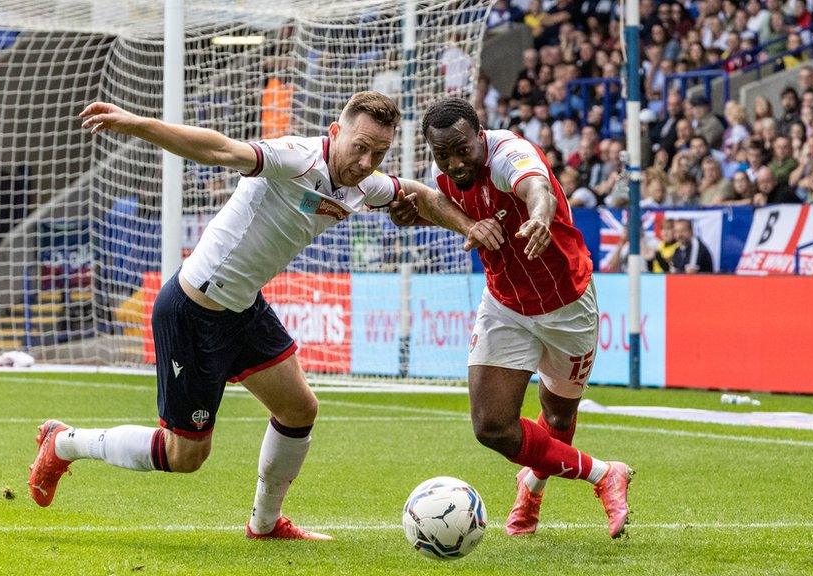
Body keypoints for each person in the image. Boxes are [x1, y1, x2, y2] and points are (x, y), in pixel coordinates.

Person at [29, 91, 501, 540]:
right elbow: (218, 150)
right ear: (335, 132)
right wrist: (138, 124)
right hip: (195, 309)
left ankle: (266, 524)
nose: (365, 163)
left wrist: (469, 224)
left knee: (299, 409)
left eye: (377, 154)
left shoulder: (364, 185)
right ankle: (64, 442)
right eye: (359, 148)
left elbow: (420, 194)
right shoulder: (295, 156)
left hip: (243, 307)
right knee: (185, 456)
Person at [396, 98, 633, 539]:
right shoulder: (444, 176)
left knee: (558, 418)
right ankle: (605, 474)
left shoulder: (509, 154)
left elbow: (535, 187)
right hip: (505, 305)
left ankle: (531, 491)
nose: (454, 162)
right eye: (442, 155)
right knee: (490, 426)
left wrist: (540, 218)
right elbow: (432, 201)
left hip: (567, 304)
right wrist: (462, 224)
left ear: (480, 136)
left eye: (461, 149)